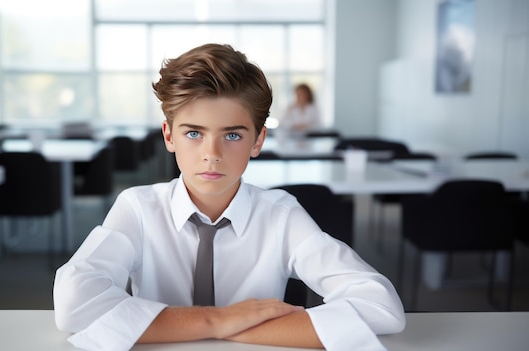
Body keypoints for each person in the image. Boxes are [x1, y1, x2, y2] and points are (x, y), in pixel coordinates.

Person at [53, 43, 405, 351]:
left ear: (258, 141)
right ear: (169, 136)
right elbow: (74, 302)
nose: (212, 153)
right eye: (194, 133)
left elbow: (382, 306)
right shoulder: (138, 207)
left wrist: (209, 327)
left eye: (233, 136)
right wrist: (218, 321)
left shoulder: (280, 215)